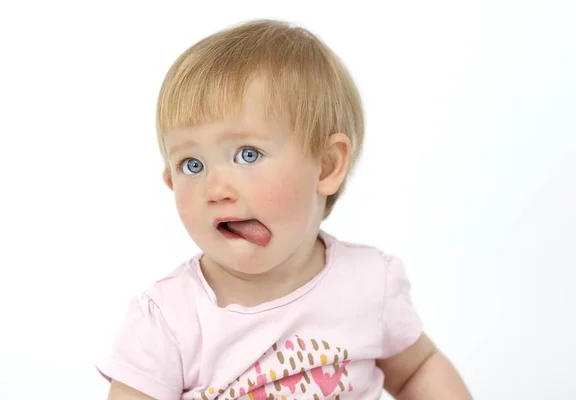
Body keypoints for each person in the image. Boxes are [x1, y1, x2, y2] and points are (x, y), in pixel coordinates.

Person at [97, 19, 471, 400]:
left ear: (326, 166)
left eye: (247, 154)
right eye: (192, 165)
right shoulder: (168, 319)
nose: (215, 189)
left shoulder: (370, 284)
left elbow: (417, 371)